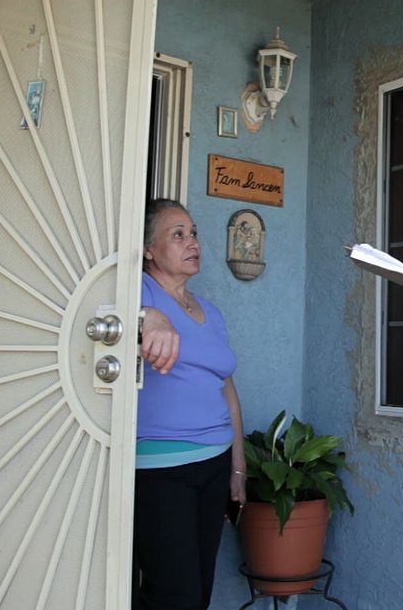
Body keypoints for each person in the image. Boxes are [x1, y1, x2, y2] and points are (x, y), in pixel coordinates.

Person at [134, 199, 248, 610]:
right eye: (177, 234)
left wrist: (238, 466)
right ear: (149, 249)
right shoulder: (137, 290)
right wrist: (147, 314)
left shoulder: (211, 312)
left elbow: (227, 390)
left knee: (199, 589)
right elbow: (99, 310)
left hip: (214, 465)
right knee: (173, 594)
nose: (192, 242)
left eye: (194, 233)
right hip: (162, 472)